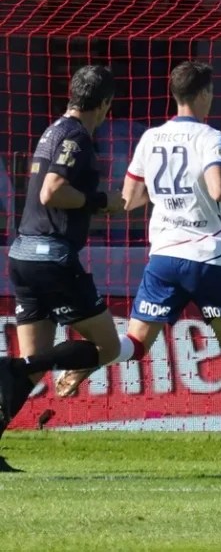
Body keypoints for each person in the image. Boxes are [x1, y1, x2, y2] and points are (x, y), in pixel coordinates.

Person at [57, 61, 221, 460]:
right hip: (208, 257)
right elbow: (217, 188)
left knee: (134, 344)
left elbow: (130, 199)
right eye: (211, 93)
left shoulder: (150, 138)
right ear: (202, 95)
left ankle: (90, 360)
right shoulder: (211, 137)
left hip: (163, 257)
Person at [0, 65, 129, 472]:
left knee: (35, 365)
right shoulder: (76, 136)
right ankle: (12, 365)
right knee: (107, 347)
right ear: (105, 104)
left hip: (22, 252)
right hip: (51, 257)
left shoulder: (53, 130)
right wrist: (102, 201)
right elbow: (53, 190)